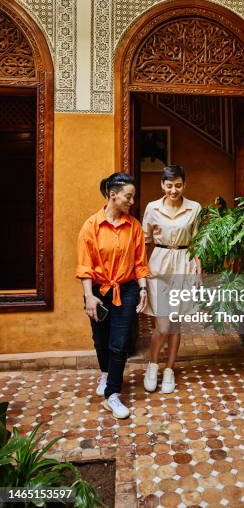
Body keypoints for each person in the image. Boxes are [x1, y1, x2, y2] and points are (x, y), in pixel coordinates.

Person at [76, 172, 150, 419]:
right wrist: (89, 296)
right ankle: (106, 373)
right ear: (113, 195)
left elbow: (140, 263)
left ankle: (112, 395)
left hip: (126, 289)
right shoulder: (90, 226)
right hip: (98, 290)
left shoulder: (135, 226)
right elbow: (85, 265)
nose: (132, 201)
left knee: (119, 344)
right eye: (128, 196)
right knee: (100, 338)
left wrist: (142, 290)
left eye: (133, 197)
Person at [142, 165, 201, 394]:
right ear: (162, 185)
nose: (173, 190)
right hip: (159, 264)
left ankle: (169, 370)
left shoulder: (194, 208)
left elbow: (198, 242)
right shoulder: (152, 208)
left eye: (178, 185)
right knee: (163, 323)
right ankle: (152, 365)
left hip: (184, 264)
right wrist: (141, 272)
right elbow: (145, 240)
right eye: (169, 186)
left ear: (184, 184)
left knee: (175, 322)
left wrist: (198, 271)